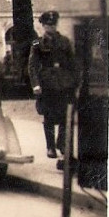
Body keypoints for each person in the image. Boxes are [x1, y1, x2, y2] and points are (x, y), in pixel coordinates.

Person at [28, 10, 81, 159]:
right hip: (47, 85)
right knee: (49, 117)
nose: (50, 27)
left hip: (64, 84)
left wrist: (75, 82)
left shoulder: (65, 41)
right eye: (47, 25)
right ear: (43, 26)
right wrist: (35, 85)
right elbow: (32, 66)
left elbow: (73, 63)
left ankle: (62, 144)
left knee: (66, 116)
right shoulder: (37, 42)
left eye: (52, 25)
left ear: (56, 25)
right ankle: (50, 147)